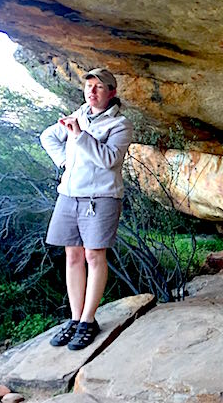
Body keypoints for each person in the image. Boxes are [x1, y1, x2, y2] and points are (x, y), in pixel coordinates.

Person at [40, 68, 133, 350]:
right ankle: (75, 317)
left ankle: (88, 320)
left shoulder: (120, 125)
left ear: (111, 93)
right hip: (69, 195)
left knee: (94, 255)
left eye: (99, 87)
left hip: (100, 198)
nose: (92, 92)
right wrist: (64, 162)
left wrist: (79, 135)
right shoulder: (77, 114)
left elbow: (109, 159)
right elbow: (48, 136)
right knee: (72, 256)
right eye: (88, 86)